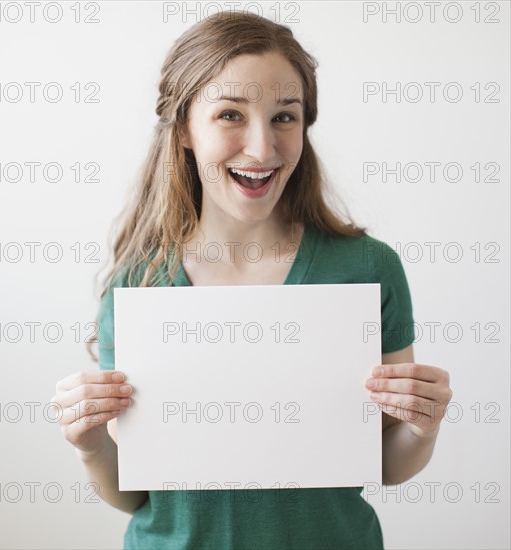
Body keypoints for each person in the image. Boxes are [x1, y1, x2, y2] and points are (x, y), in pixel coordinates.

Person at [52, 11, 452, 549]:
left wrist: (422, 425)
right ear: (185, 130)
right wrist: (90, 444)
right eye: (230, 115)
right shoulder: (140, 282)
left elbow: (386, 462)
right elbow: (135, 491)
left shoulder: (367, 269)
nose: (262, 149)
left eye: (284, 117)